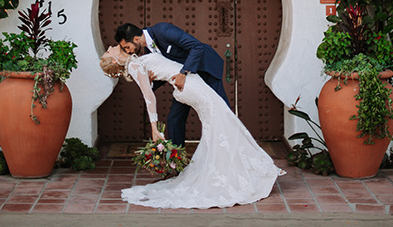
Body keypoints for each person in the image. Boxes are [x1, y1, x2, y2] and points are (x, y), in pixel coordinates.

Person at [100, 45, 285, 209]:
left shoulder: (136, 63)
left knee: (219, 124)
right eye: (108, 51)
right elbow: (149, 97)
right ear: (115, 59)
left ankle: (236, 169)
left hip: (189, 84)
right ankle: (239, 171)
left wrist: (155, 75)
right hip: (190, 87)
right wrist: (154, 128)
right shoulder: (133, 66)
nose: (110, 46)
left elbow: (156, 74)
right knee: (223, 120)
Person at [114, 22, 229, 146]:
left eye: (127, 47)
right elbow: (167, 70)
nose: (128, 51)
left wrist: (183, 73)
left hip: (205, 70)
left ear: (136, 39)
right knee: (174, 119)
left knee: (222, 112)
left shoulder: (163, 30)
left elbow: (197, 47)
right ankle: (177, 160)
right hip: (186, 84)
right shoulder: (148, 51)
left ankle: (231, 149)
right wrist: (151, 83)